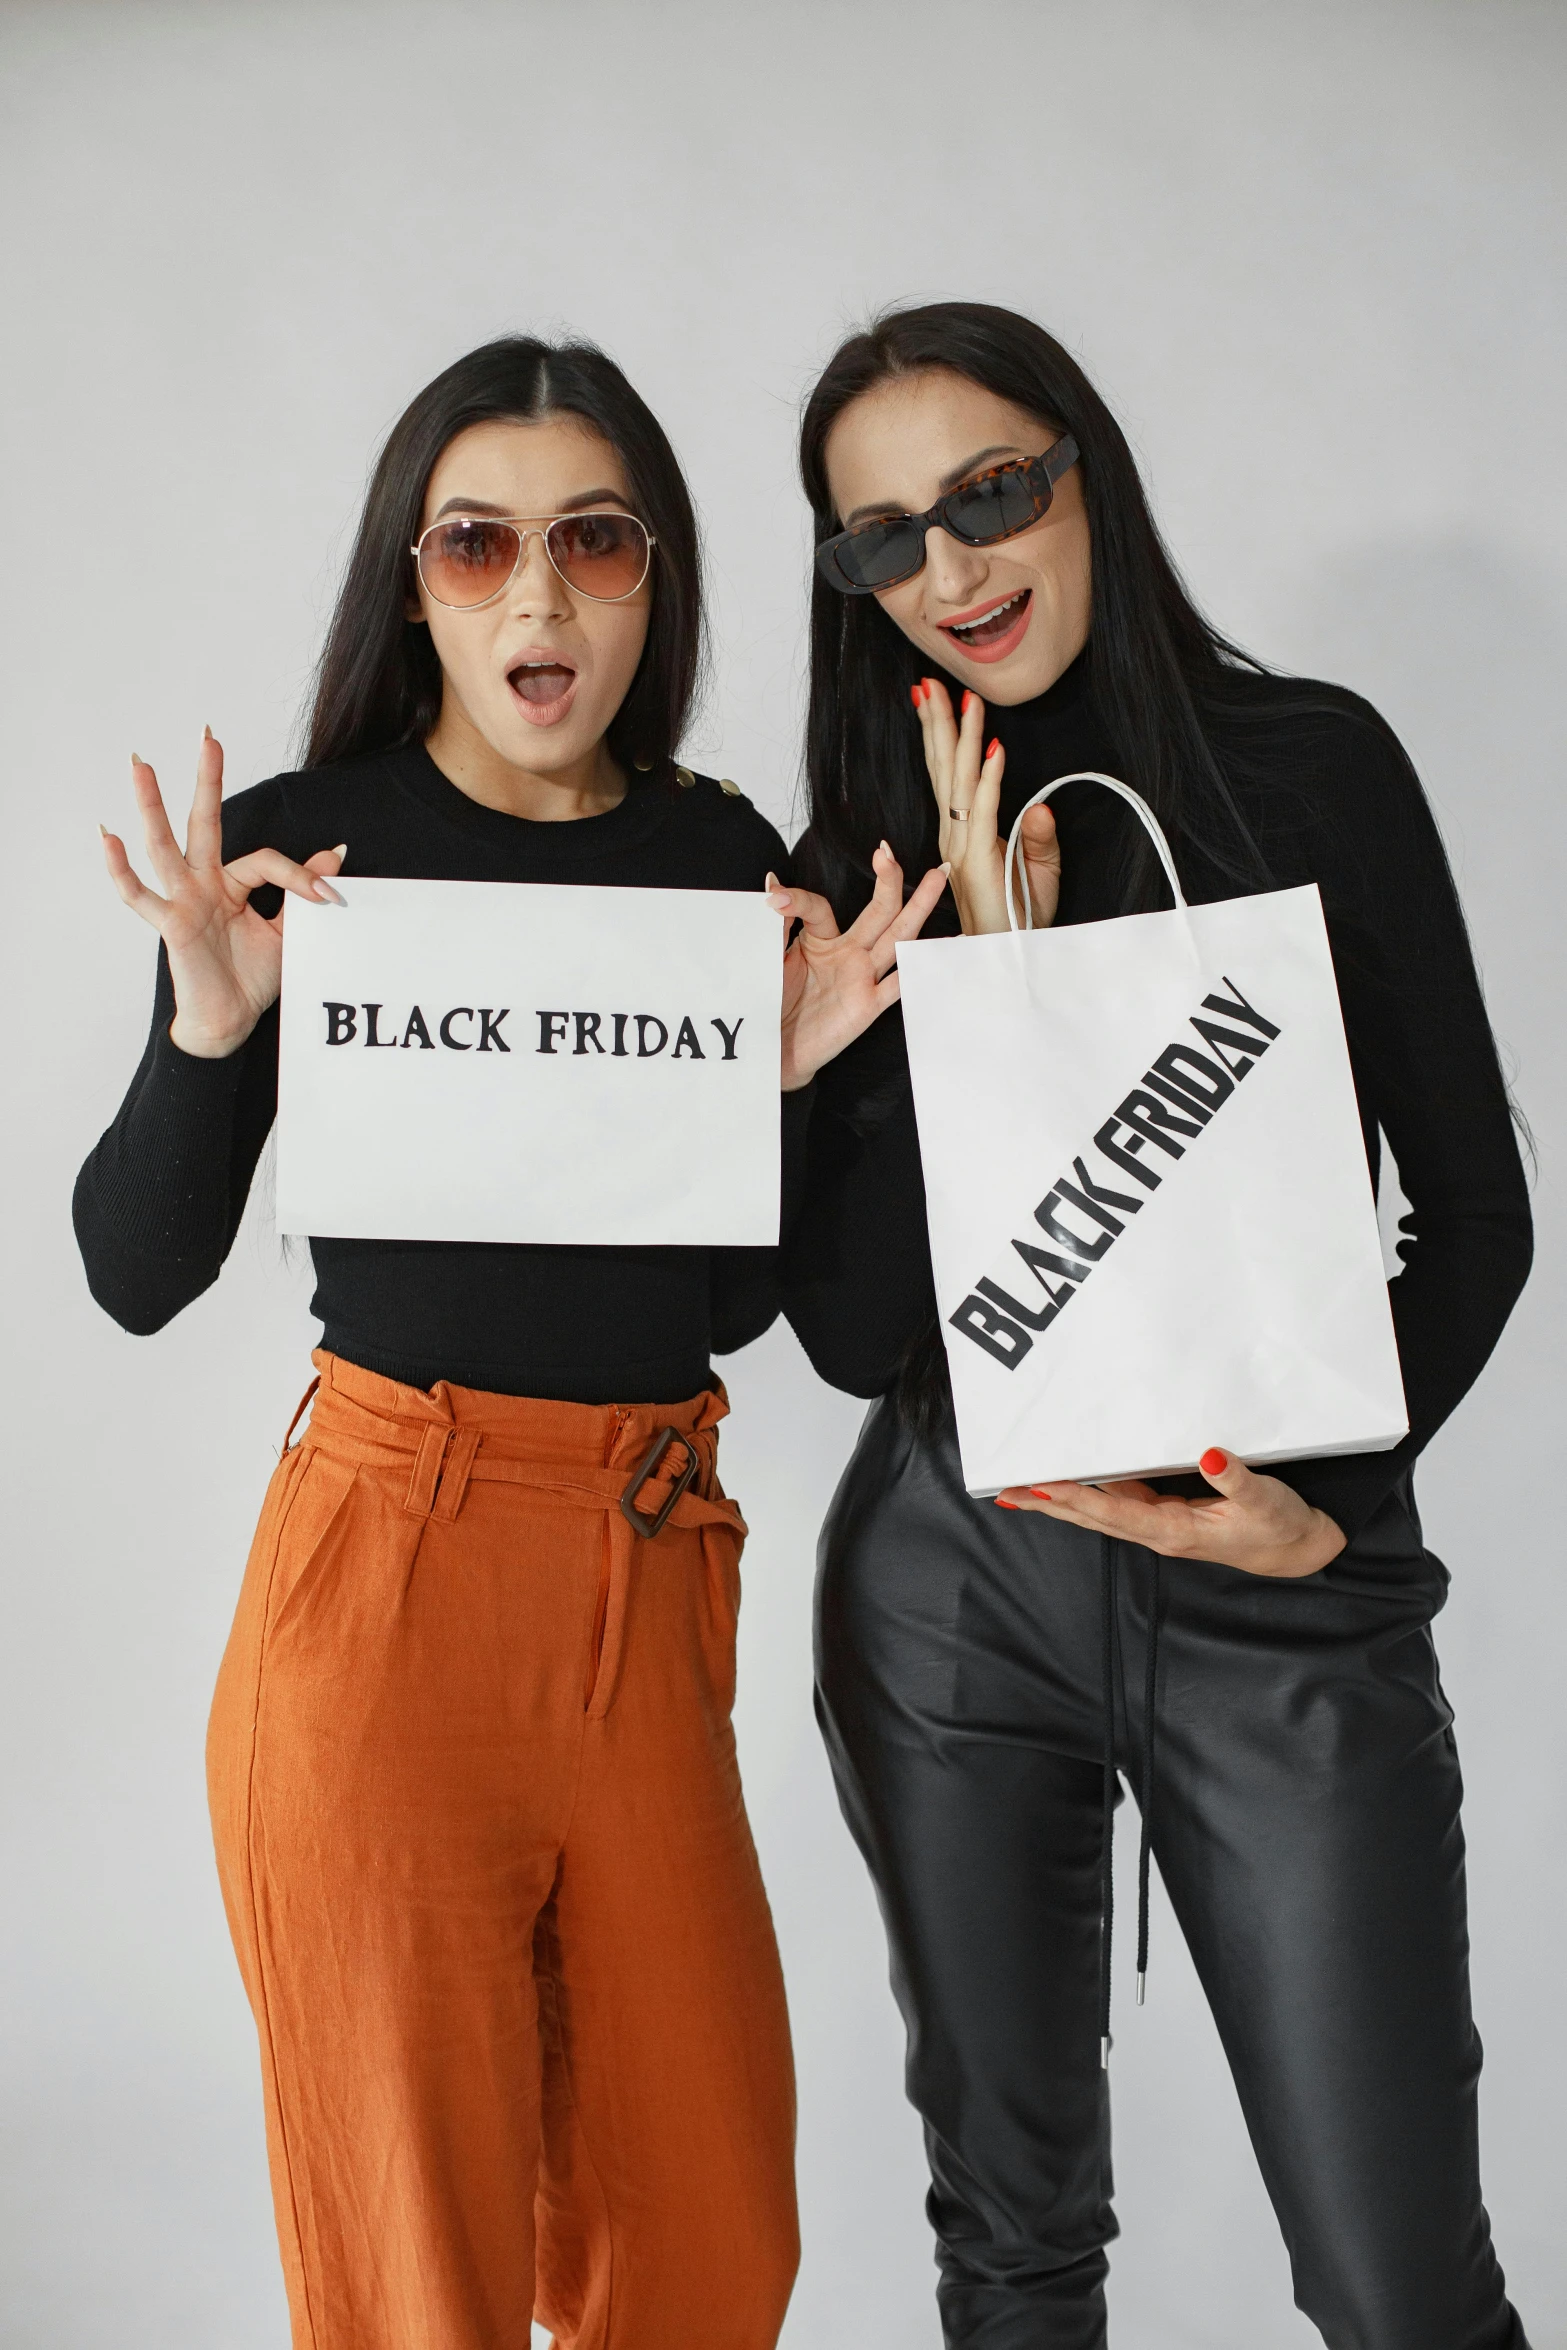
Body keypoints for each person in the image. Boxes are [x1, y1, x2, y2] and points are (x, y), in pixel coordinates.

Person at [75, 333, 946, 2350]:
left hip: (650, 1585)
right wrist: (213, 1021)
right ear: (414, 580)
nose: (539, 595)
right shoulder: (311, 856)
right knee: (418, 2278)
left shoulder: (730, 862)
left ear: (662, 575)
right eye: (478, 543)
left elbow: (755, 1313)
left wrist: (800, 1086)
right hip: (386, 1580)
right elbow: (135, 1265)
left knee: (706, 2240)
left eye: (594, 540)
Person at [772, 301, 1533, 2349]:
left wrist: (1326, 1502)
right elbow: (854, 1330)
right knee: (1012, 2252)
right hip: (957, 1584)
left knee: (1398, 2281)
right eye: (880, 539)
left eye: (994, 491)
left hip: (1273, 1571)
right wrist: (953, 1002)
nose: (950, 567)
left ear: (1085, 470)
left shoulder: (1308, 769)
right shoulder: (864, 858)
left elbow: (1471, 1216)